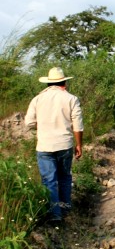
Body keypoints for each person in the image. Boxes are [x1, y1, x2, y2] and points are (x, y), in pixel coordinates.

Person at [25, 67, 84, 225]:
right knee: (65, 177)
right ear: (64, 82)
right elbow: (78, 125)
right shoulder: (71, 99)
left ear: (48, 83)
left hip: (44, 145)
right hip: (64, 145)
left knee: (49, 181)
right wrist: (79, 145)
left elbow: (28, 122)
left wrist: (43, 125)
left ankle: (55, 214)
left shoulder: (37, 99)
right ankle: (65, 209)